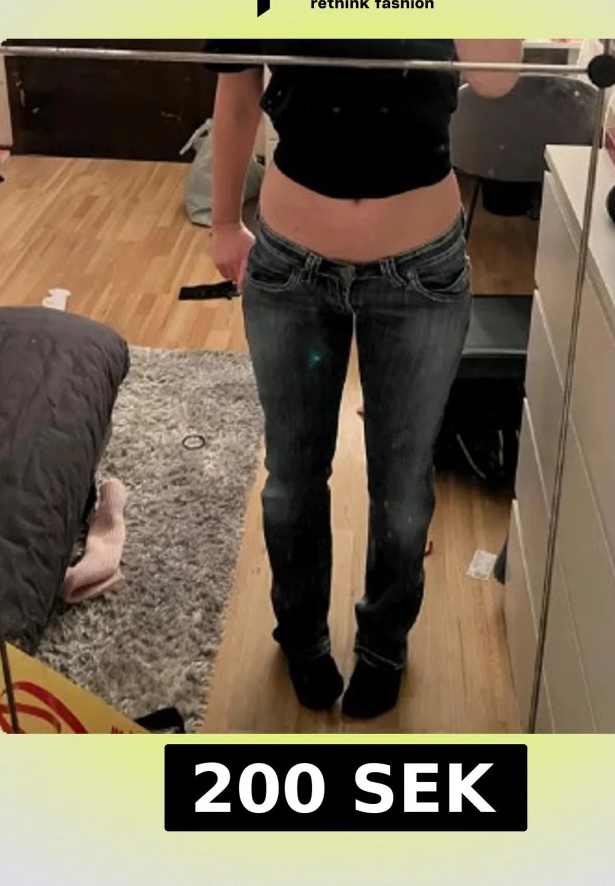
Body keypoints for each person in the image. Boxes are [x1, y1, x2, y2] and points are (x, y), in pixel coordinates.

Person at [205, 39, 522, 719]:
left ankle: (384, 646)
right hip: (290, 268)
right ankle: (301, 636)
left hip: (421, 271)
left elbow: (496, 78)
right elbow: (236, 92)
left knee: (403, 488)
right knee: (292, 478)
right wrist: (225, 221)